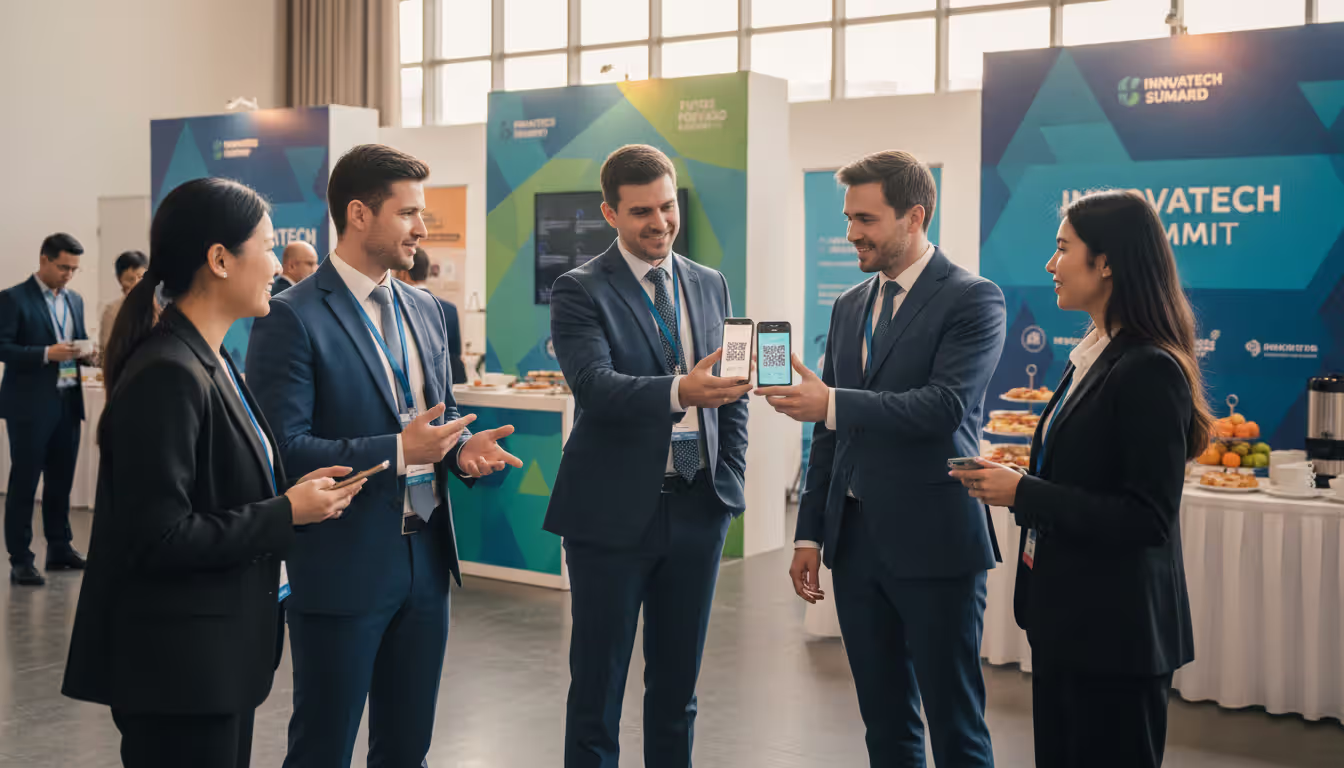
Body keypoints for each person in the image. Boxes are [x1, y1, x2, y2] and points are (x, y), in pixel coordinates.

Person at [61, 177, 363, 768]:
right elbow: (160, 536)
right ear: (220, 260)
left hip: (214, 662)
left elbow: (216, 490)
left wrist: (293, 495)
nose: (280, 264)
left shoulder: (212, 357)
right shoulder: (169, 371)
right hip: (179, 671)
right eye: (271, 246)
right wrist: (287, 512)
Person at [246, 144, 522, 768]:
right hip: (341, 566)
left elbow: (438, 417)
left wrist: (459, 451)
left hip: (426, 559)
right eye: (409, 214)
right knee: (323, 748)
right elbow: (284, 453)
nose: (423, 229)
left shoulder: (427, 311)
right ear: (359, 214)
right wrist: (398, 450)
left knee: (407, 749)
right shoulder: (290, 317)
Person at [759, 150, 1005, 766]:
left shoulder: (974, 299)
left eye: (865, 220)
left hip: (936, 546)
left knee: (957, 727)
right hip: (857, 547)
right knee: (884, 724)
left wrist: (832, 401)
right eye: (848, 219)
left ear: (914, 216)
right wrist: (808, 535)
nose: (850, 234)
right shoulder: (849, 305)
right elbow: (829, 436)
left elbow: (944, 408)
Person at [950, 189, 1205, 768]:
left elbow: (1147, 517)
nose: (1050, 264)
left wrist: (1024, 492)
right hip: (1071, 625)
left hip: (1116, 638)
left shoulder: (1148, 368)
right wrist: (1020, 478)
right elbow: (1087, 472)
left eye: (1063, 248)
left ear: (1107, 262)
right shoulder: (1095, 352)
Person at [546, 144, 751, 768]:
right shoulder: (578, 289)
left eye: (667, 207)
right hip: (610, 517)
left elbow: (733, 388)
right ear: (610, 213)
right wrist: (679, 389)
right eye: (641, 212)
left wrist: (729, 478)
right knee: (597, 691)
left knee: (677, 692)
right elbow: (595, 387)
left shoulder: (708, 282)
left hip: (697, 508)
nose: (659, 222)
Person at [0, 232, 97, 586]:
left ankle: (59, 548)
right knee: (25, 484)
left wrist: (88, 354)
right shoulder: (13, 299)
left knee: (61, 482)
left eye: (74, 269)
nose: (68, 274)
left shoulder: (75, 300)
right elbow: (3, 347)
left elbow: (78, 341)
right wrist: (45, 354)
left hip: (68, 402)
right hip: (29, 406)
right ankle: (21, 558)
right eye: (62, 267)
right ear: (43, 260)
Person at [395, 247, 466, 385]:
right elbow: (455, 358)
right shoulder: (449, 309)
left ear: (404, 274)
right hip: (443, 392)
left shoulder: (395, 308)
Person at [100, 249, 149, 352]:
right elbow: (107, 349)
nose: (136, 284)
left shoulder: (160, 307)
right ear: (119, 280)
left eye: (141, 278)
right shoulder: (112, 311)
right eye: (130, 279)